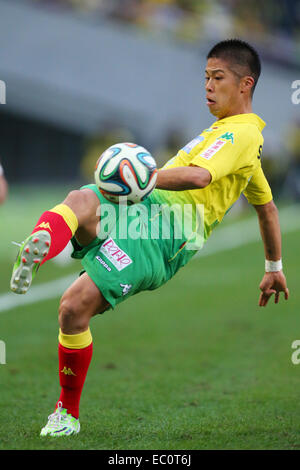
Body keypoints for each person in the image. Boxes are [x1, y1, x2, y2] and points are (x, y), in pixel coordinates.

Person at [10, 39, 289, 437]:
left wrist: (137, 176)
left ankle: (66, 414)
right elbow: (267, 207)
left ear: (245, 84)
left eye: (218, 78)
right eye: (205, 77)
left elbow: (199, 177)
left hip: (165, 233)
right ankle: (39, 247)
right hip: (148, 205)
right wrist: (274, 267)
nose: (207, 86)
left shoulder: (241, 135)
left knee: (73, 306)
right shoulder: (228, 135)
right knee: (81, 199)